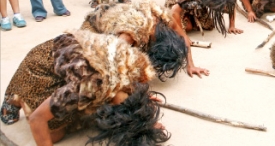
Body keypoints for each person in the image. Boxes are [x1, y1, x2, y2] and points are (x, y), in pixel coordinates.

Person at [0, 30, 169, 145]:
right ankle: (16, 98)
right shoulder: (87, 88)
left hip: (69, 62)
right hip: (38, 68)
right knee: (56, 133)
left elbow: (131, 93)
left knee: (84, 113)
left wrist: (145, 121)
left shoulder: (127, 74)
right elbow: (38, 119)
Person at [81, 0, 188, 80]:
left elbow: (183, 38)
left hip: (119, 11)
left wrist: (191, 65)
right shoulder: (129, 36)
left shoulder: (165, 20)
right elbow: (112, 65)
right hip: (94, 24)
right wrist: (134, 89)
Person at [165, 0, 242, 77]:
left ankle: (191, 15)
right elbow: (174, 12)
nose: (224, 10)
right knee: (182, 29)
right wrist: (190, 63)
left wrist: (232, 25)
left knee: (208, 25)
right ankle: (188, 17)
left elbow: (231, 4)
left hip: (196, 2)